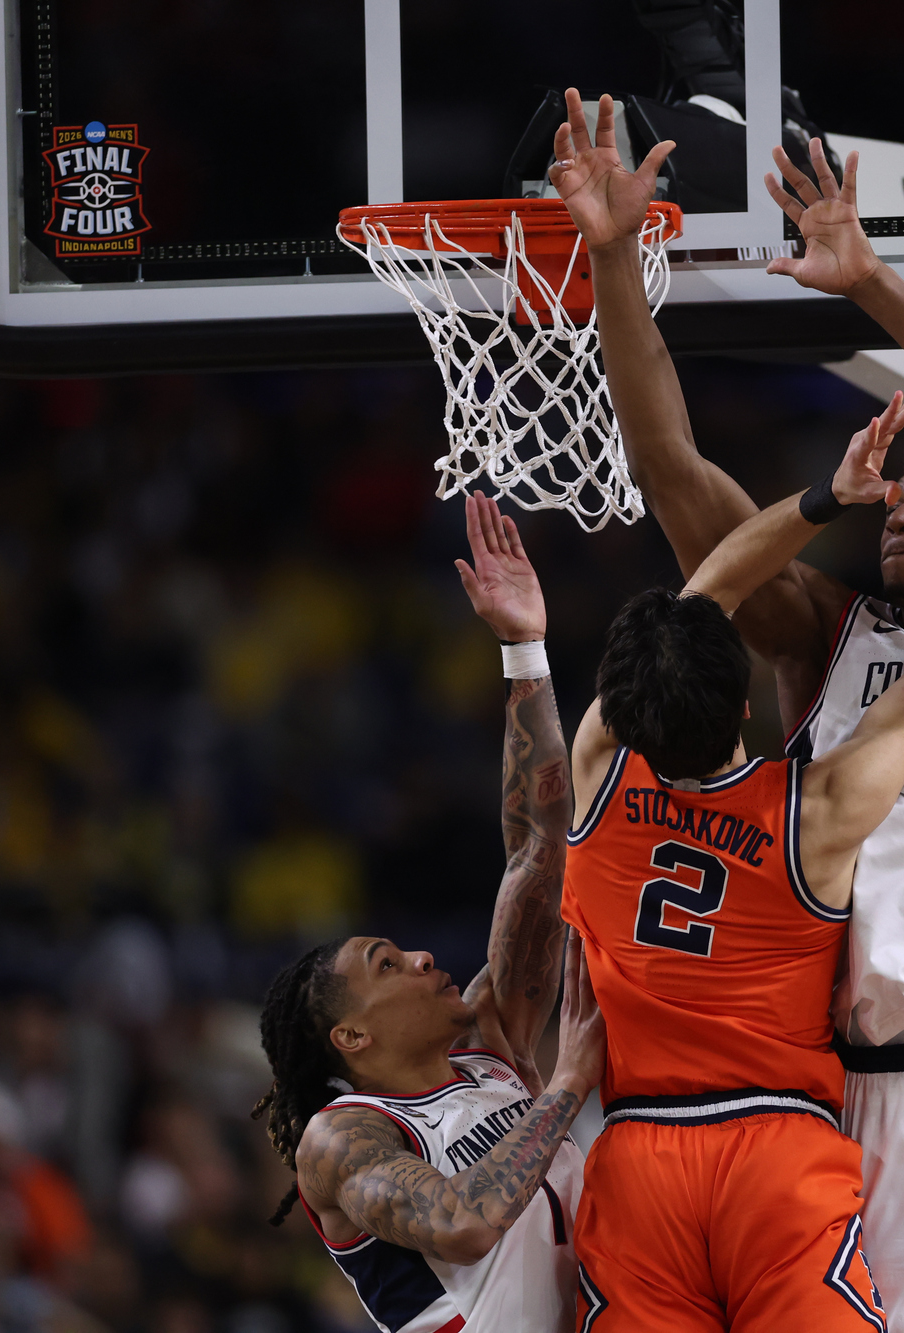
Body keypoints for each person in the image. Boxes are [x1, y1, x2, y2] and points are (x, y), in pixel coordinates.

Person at [555, 88, 904, 1332]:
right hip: (895, 1095)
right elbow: (673, 475)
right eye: (903, 481)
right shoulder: (819, 637)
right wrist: (610, 265)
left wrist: (872, 283)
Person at [253, 493, 603, 1333]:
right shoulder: (341, 1141)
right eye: (385, 965)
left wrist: (525, 649)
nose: (418, 959)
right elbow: (462, 1222)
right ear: (352, 1038)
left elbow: (539, 850)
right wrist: (563, 1088)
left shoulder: (489, 1044)